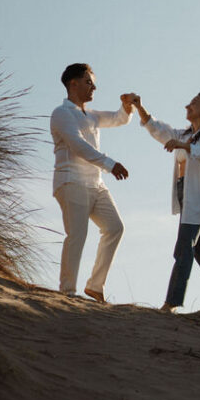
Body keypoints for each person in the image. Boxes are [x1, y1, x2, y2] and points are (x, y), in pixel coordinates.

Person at [131, 91, 200, 312]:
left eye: (194, 103)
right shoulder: (185, 134)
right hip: (186, 194)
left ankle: (171, 302)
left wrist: (185, 147)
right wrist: (139, 107)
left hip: (199, 198)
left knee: (184, 249)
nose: (187, 106)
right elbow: (160, 130)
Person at [50, 63, 135, 303]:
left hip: (95, 184)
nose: (93, 87)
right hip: (71, 181)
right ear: (73, 84)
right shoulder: (61, 113)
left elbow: (119, 119)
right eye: (88, 82)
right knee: (77, 234)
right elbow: (77, 145)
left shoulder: (92, 115)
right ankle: (67, 291)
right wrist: (110, 164)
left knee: (115, 227)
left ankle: (95, 286)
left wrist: (127, 105)